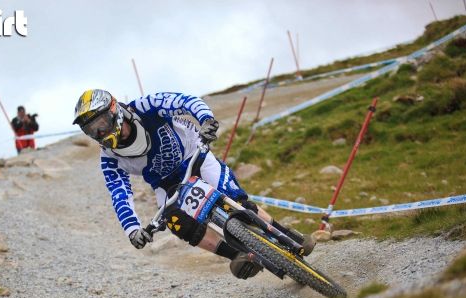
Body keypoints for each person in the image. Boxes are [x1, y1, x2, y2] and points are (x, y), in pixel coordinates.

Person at [73, 90, 315, 279]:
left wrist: (206, 119)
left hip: (194, 155)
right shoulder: (109, 158)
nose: (99, 132)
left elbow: (184, 100)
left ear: (114, 110)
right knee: (174, 221)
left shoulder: (145, 107)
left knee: (237, 201)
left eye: (101, 123)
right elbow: (119, 194)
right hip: (165, 183)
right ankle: (239, 256)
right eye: (91, 130)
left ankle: (286, 234)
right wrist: (133, 229)